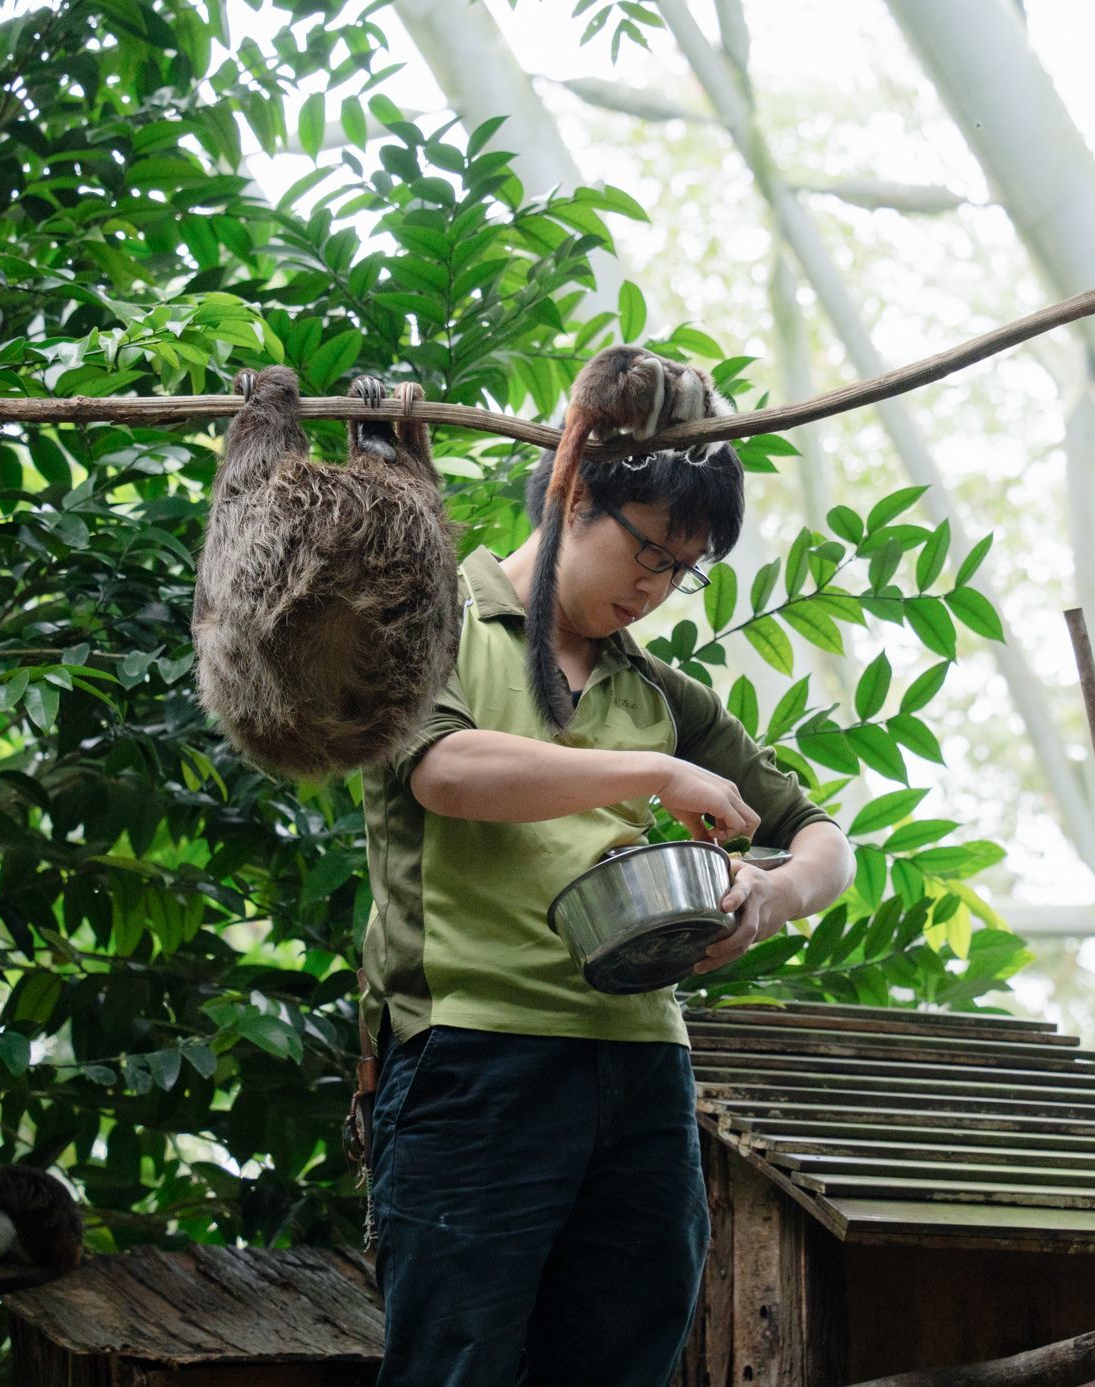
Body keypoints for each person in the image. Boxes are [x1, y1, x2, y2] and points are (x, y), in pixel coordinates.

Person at [358, 434, 855, 1387]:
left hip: (644, 1071)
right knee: (454, 1368)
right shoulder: (430, 620)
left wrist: (776, 893)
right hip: (471, 1054)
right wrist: (656, 772)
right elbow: (446, 771)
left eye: (684, 570)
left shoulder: (660, 692)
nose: (658, 587)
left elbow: (825, 835)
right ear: (575, 493)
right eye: (651, 552)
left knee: (628, 1359)